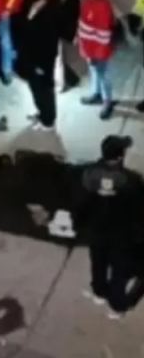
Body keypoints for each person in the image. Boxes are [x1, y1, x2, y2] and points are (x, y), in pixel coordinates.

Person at [74, 135, 144, 320]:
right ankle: (117, 306)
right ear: (120, 157)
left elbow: (80, 203)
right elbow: (139, 211)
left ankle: (99, 291)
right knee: (120, 272)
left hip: (96, 231)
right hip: (121, 235)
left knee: (98, 262)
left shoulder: (88, 175)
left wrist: (78, 224)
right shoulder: (131, 181)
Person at [12, 0, 63, 131]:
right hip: (29, 55)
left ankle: (48, 120)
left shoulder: (53, 10)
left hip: (42, 59)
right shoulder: (30, 2)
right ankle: (41, 112)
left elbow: (48, 40)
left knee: (44, 90)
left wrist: (41, 64)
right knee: (35, 88)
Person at [76, 0, 117, 120]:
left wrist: (97, 54)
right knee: (94, 72)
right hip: (89, 48)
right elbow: (84, 23)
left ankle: (107, 101)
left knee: (103, 74)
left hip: (98, 50)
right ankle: (96, 94)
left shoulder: (103, 7)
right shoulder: (87, 2)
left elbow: (103, 34)